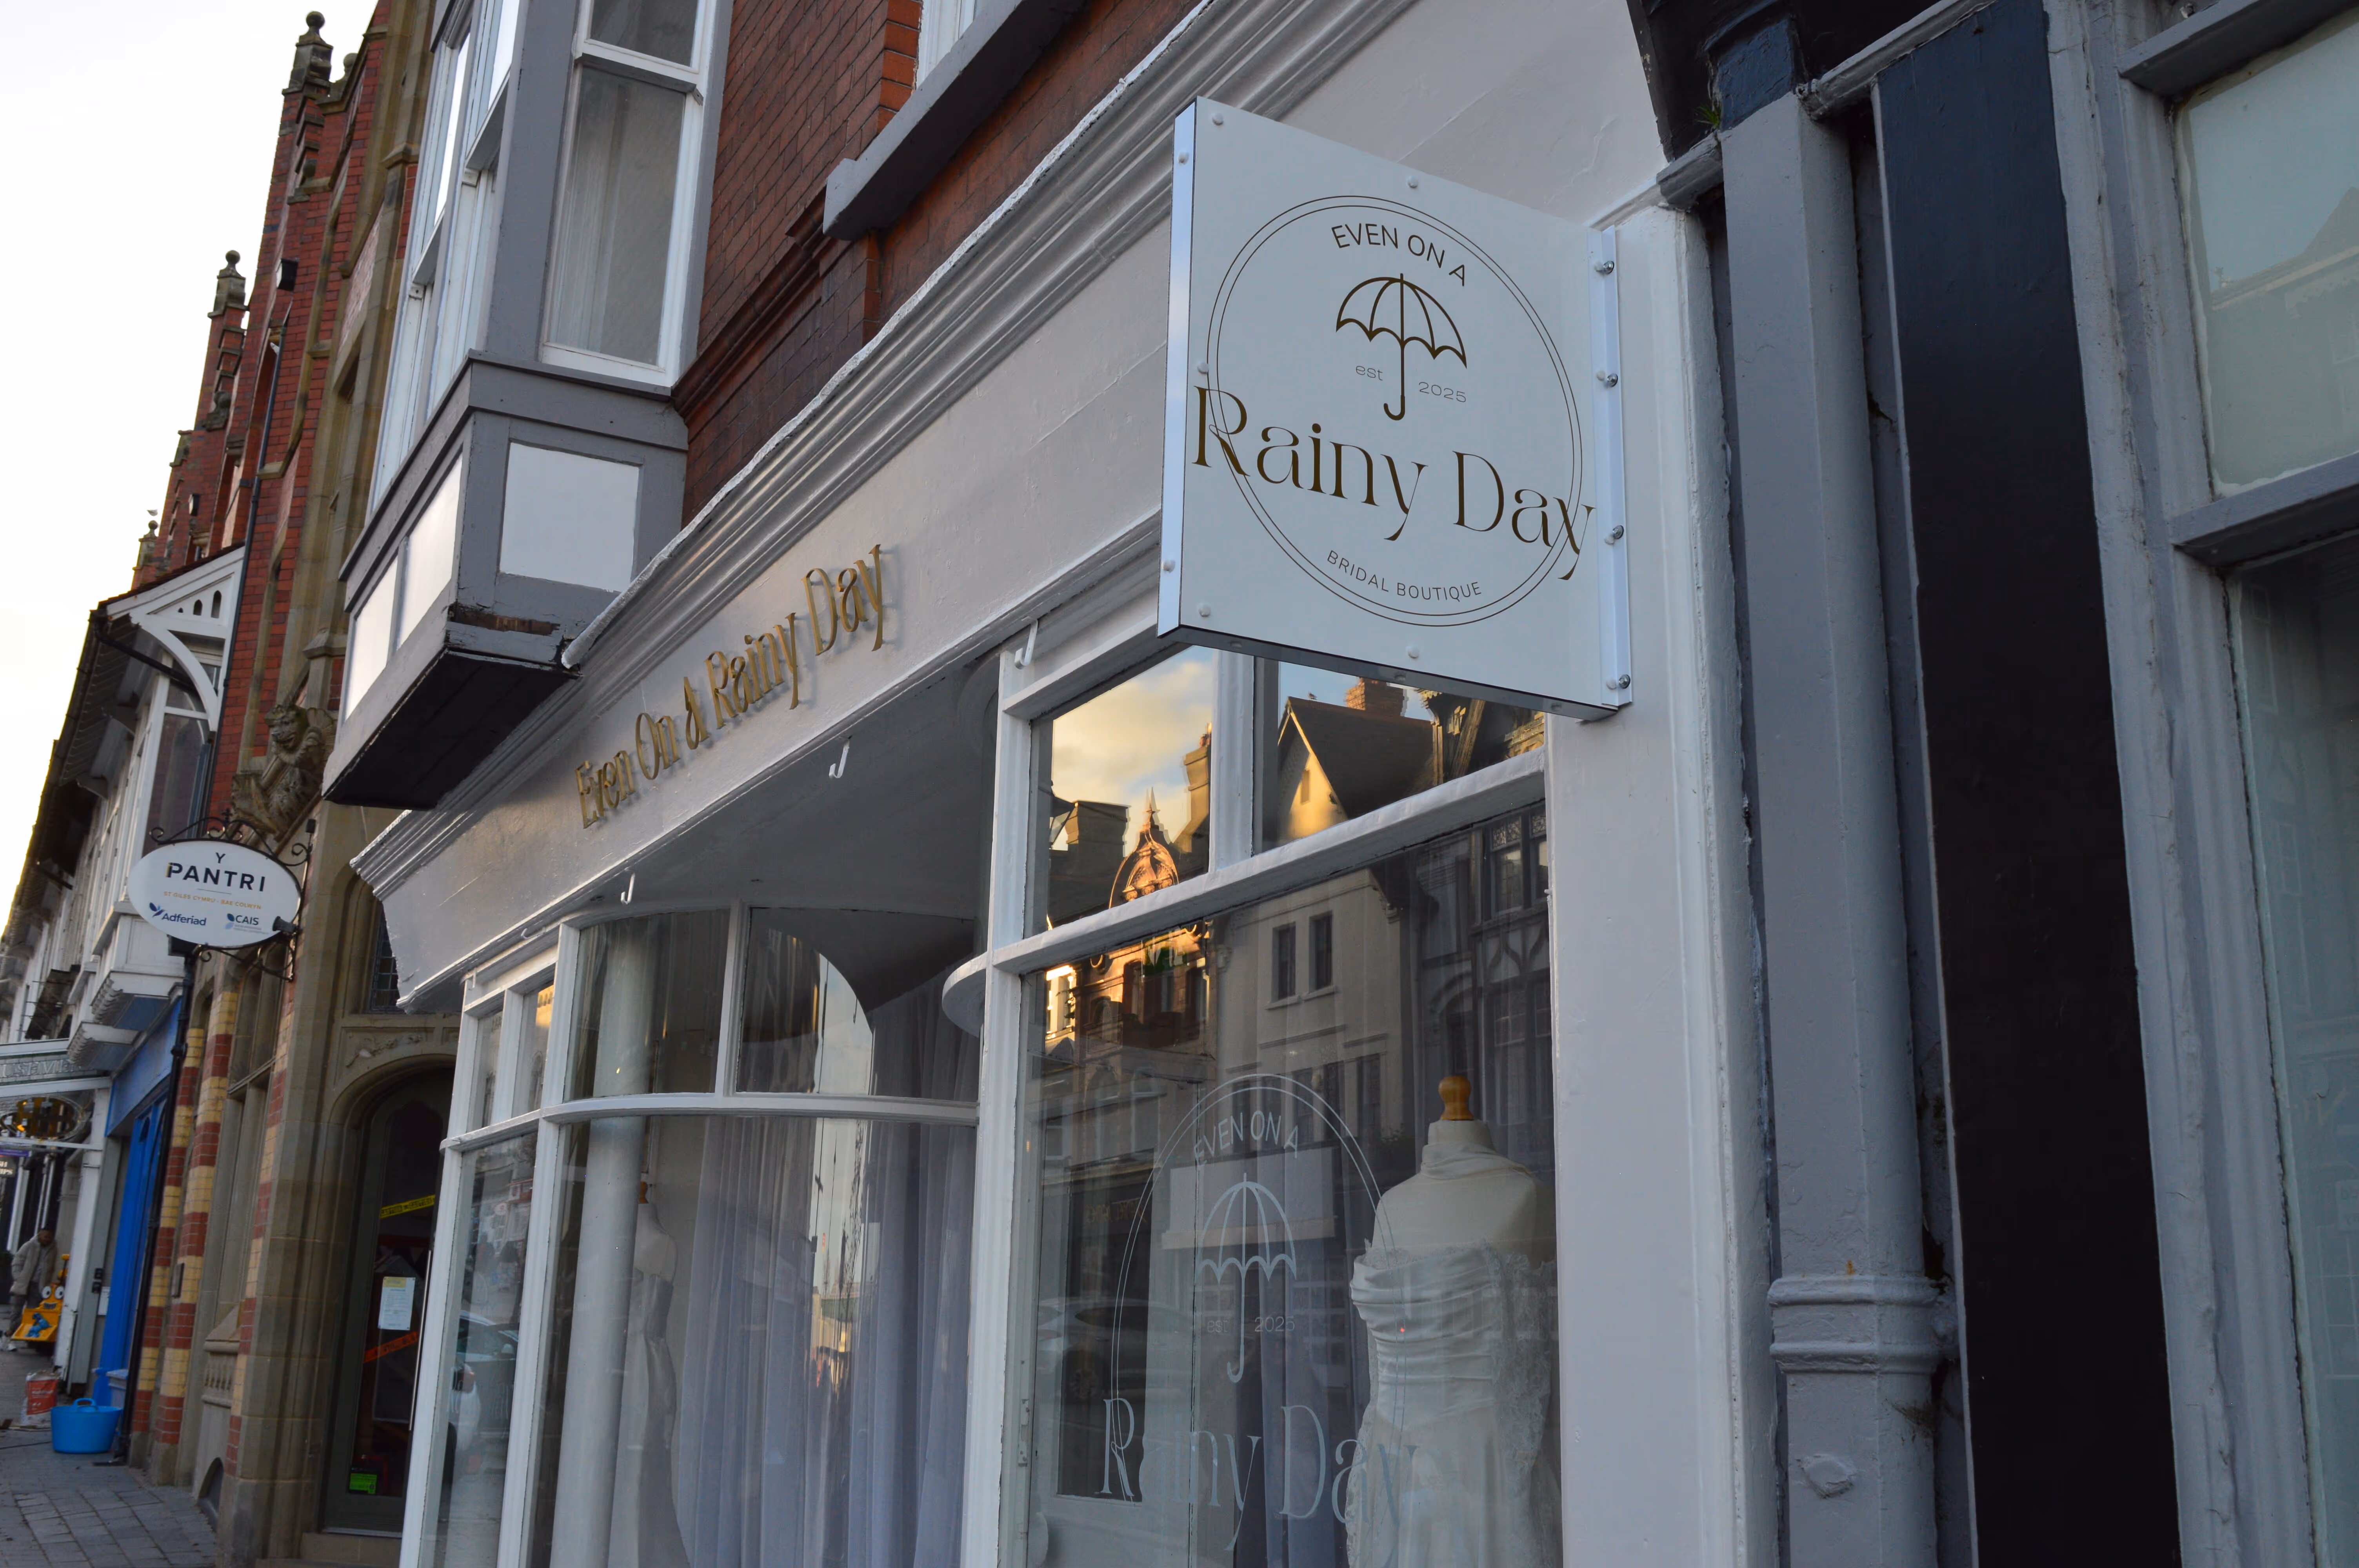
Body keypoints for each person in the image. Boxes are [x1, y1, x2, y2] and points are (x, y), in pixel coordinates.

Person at [4, 1229, 58, 1350]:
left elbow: (52, 1268)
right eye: (45, 1236)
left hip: (39, 1286)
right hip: (23, 1283)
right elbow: (17, 1262)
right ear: (39, 1235)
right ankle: (10, 1340)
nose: (47, 1239)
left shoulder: (53, 1250)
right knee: (16, 1311)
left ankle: (9, 1333)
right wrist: (19, 1278)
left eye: (50, 1237)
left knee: (33, 1313)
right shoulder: (29, 1246)